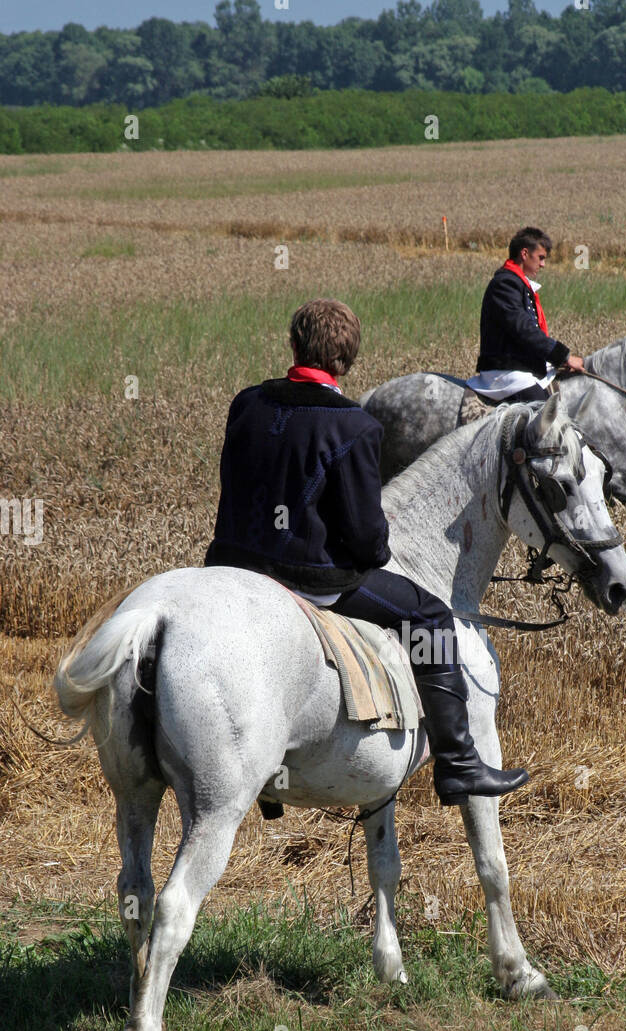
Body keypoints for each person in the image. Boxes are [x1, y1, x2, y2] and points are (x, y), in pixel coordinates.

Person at [204, 298, 529, 807]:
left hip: (230, 565)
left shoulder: (247, 403)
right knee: (431, 616)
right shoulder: (353, 426)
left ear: (293, 344)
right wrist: (366, 545)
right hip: (309, 579)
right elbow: (366, 541)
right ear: (348, 360)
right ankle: (460, 765)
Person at [467, 226, 584, 404]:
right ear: (524, 254)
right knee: (546, 417)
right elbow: (524, 329)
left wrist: (557, 362)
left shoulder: (518, 284)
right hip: (506, 372)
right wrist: (564, 356)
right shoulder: (505, 284)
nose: (543, 264)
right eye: (541, 258)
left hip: (521, 368)